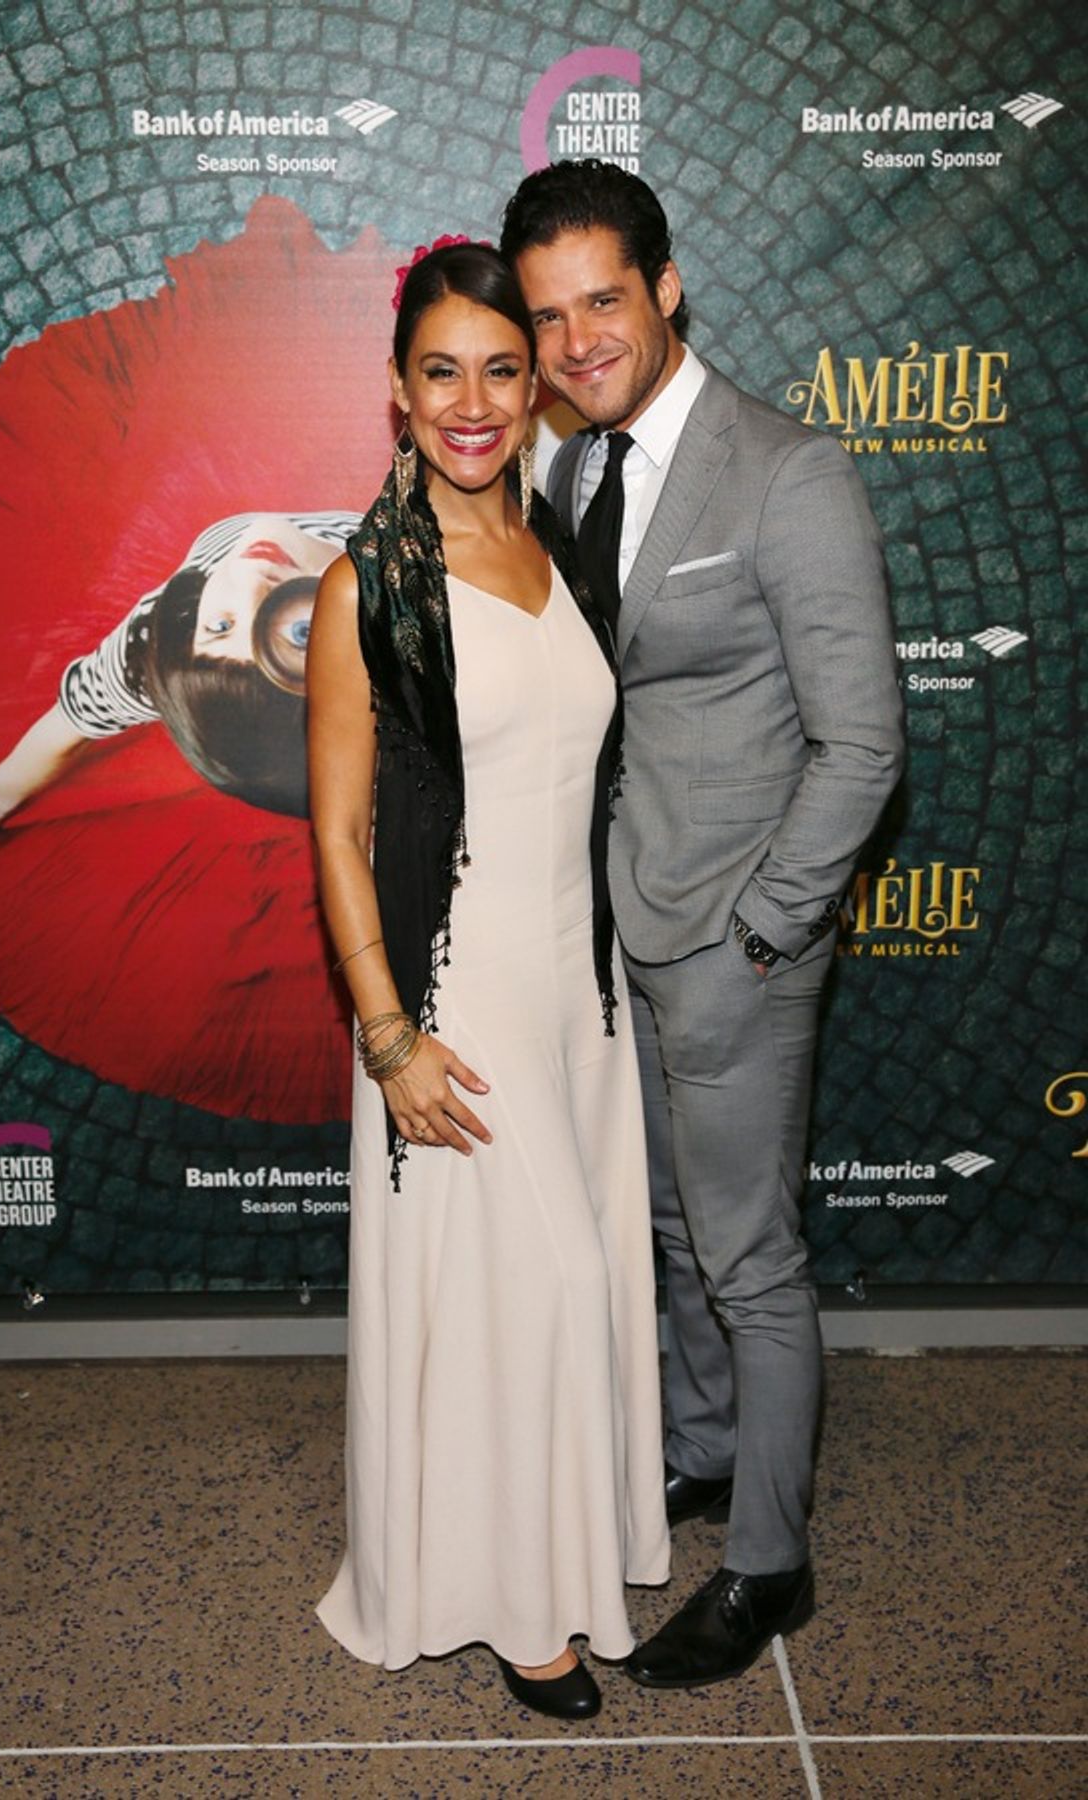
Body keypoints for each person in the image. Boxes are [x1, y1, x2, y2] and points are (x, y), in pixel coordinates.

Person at [501, 161, 905, 1688]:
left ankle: (770, 1563)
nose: (576, 339)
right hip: (616, 931)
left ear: (667, 290)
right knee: (672, 1232)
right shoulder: (568, 473)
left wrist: (767, 931)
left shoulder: (785, 470)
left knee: (748, 1257)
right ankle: (704, 1454)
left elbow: (862, 743)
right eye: (548, 316)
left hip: (735, 936)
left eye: (604, 299)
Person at [308, 239, 669, 1720]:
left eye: (500, 371)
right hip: (448, 1002)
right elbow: (335, 832)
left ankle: (551, 1558)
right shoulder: (366, 585)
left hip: (573, 996)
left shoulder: (563, 547)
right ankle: (520, 1607)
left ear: (534, 389)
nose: (473, 402)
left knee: (554, 1306)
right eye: (439, 373)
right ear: (397, 394)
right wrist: (389, 1036)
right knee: (534, 1290)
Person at [0, 511, 357, 846]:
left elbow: (76, 713)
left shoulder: (170, 630)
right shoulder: (164, 642)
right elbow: (82, 711)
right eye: (302, 635)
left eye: (220, 627)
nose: (246, 579)